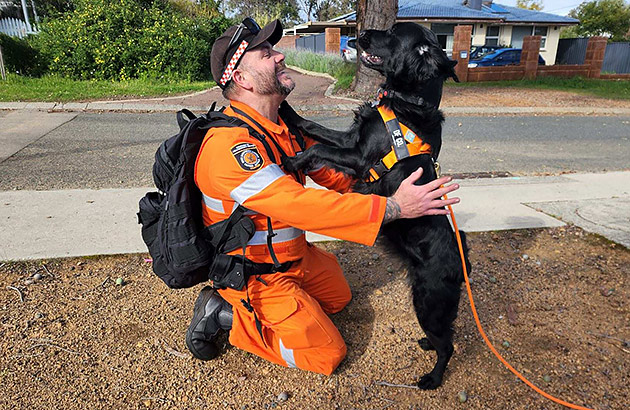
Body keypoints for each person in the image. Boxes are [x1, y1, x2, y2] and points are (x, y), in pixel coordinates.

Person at [186, 17, 460, 376]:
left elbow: (335, 175)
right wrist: (393, 207)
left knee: (339, 297)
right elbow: (303, 206)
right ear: (241, 78)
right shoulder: (229, 146)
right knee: (327, 354)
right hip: (254, 274)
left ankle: (292, 304)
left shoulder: (279, 128)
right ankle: (225, 313)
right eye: (267, 53)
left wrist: (398, 183)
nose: (280, 56)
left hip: (295, 258)